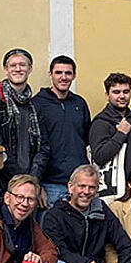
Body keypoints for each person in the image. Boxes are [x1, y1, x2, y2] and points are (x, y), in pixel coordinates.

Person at [0, 48, 50, 197]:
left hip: (30, 185)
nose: (18, 69)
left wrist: (33, 179)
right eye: (13, 65)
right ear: (6, 69)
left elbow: (44, 147)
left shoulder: (35, 106)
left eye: (23, 65)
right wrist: (20, 181)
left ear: (30, 69)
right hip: (0, 186)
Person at [32, 55, 91, 213]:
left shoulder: (80, 103)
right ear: (50, 75)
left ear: (74, 75)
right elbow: (32, 146)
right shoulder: (37, 104)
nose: (63, 77)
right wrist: (37, 185)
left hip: (79, 185)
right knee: (49, 236)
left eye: (68, 73)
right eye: (58, 73)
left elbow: (84, 138)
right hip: (50, 185)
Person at [88, 73, 131, 185]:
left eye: (126, 92)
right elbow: (99, 157)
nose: (122, 96)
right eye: (116, 92)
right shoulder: (100, 122)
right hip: (113, 191)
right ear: (107, 95)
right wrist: (120, 134)